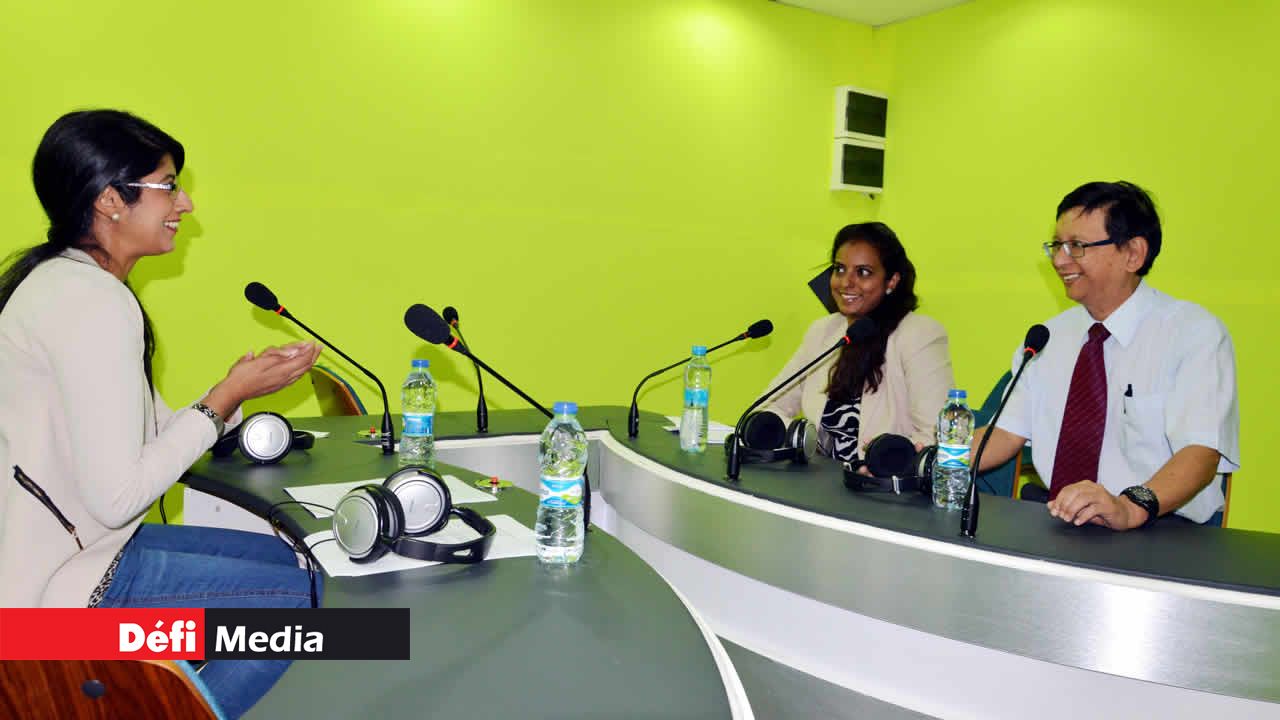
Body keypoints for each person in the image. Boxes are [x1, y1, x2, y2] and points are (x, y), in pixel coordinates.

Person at [0, 109, 323, 718]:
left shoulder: (62, 283)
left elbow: (147, 439)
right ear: (109, 201)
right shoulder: (92, 303)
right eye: (168, 186)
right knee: (303, 602)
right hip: (60, 598)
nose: (186, 204)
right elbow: (119, 496)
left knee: (299, 565)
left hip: (68, 563)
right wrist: (223, 398)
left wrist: (234, 396)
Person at [973, 181, 1238, 530]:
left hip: (1160, 527)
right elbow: (1005, 435)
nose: (1059, 260)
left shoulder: (1193, 333)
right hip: (1063, 521)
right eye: (1057, 245)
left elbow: (1201, 453)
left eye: (1077, 246)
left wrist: (1129, 507)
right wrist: (930, 460)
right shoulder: (1049, 336)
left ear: (1133, 254)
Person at [753, 222, 954, 466]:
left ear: (891, 281)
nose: (846, 282)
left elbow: (938, 437)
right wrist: (801, 438)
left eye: (863, 272)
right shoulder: (823, 332)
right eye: (839, 269)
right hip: (818, 480)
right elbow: (768, 408)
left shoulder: (919, 334)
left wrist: (889, 463)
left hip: (882, 484)